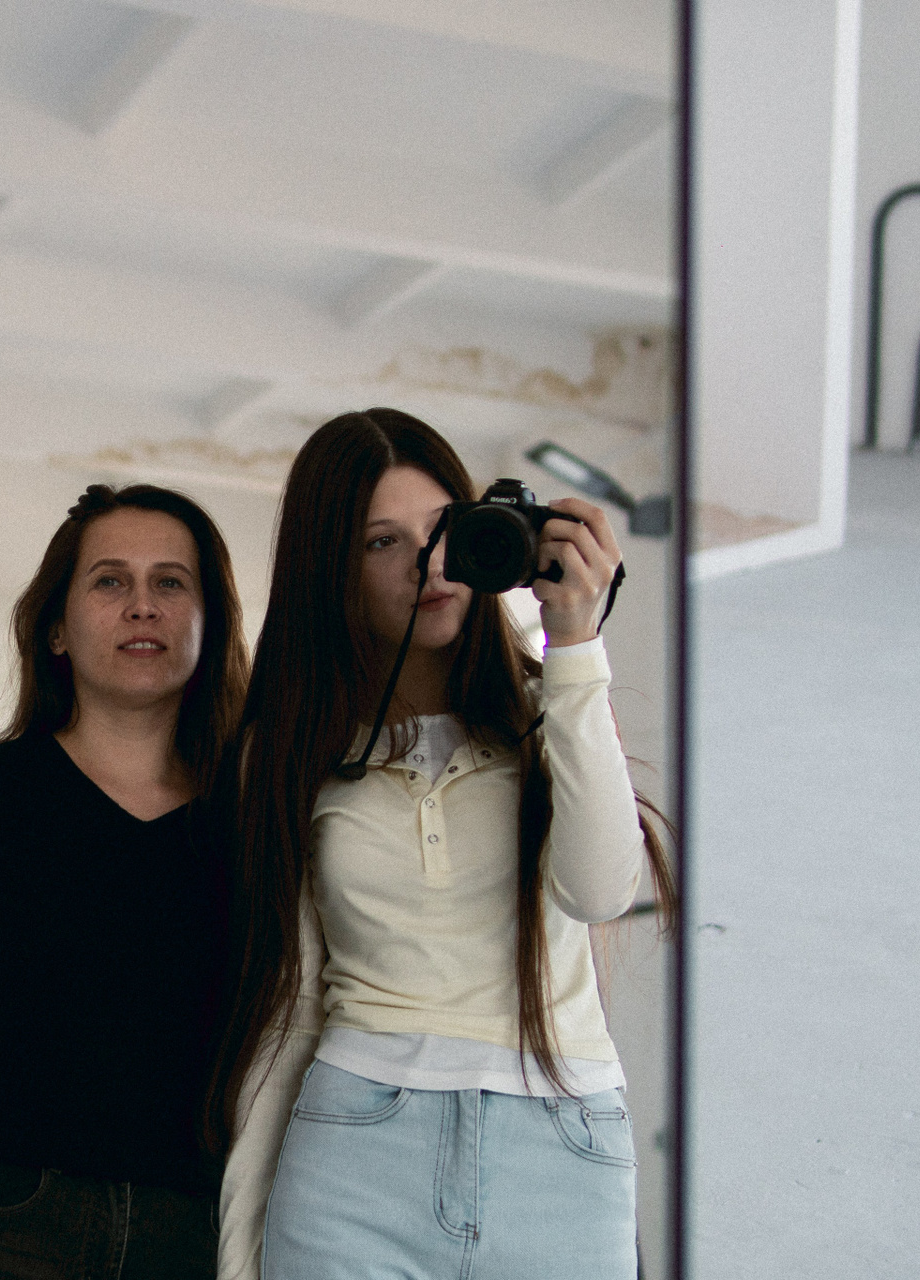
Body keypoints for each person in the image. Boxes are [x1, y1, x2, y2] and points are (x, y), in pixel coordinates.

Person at [211, 409, 675, 1280]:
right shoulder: (287, 755)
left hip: (562, 1150)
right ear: (332, 570)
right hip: (353, 1151)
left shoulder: (552, 712)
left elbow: (600, 890)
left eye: (441, 528)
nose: (425, 563)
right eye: (381, 542)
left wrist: (576, 643)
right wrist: (241, 1253)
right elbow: (292, 1011)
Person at [0, 482, 251, 1280]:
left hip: (198, 1227)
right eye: (110, 581)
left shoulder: (255, 817)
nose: (142, 606)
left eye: (171, 582)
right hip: (2, 1222)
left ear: (210, 622)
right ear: (56, 626)